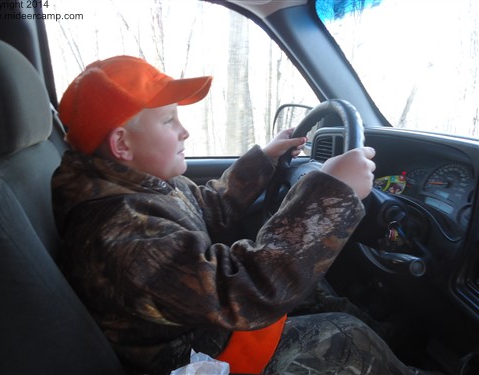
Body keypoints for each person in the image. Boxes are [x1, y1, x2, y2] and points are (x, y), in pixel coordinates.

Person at [51, 55, 422, 375]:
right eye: (168, 122)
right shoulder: (122, 234)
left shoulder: (141, 186)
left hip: (202, 324)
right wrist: (330, 197)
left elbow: (209, 207)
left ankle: (393, 344)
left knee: (319, 293)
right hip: (197, 359)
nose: (185, 132)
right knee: (343, 336)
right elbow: (244, 292)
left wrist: (266, 158)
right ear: (121, 144)